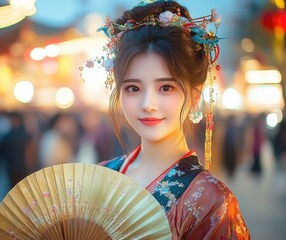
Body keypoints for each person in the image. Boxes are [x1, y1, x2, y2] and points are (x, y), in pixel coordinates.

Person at [86, 1, 250, 239]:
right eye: (133, 88)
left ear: (194, 95)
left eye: (165, 87)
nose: (147, 104)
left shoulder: (211, 201)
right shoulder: (100, 175)